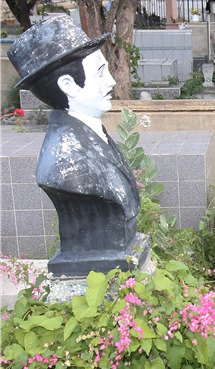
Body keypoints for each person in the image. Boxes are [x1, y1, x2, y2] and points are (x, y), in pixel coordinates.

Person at [7, 15, 147, 276]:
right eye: (100, 73)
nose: (112, 81)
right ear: (68, 86)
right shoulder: (63, 162)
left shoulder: (94, 134)